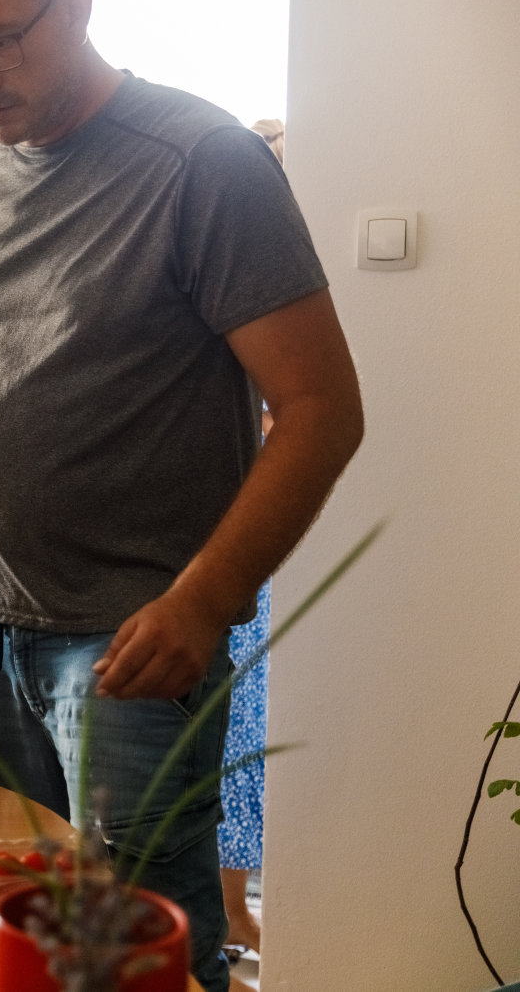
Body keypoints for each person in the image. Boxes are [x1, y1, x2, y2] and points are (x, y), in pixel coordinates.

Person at [0, 0, 363, 991]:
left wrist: (206, 599)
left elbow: (322, 408)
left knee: (143, 952)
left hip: (133, 650)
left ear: (77, 11)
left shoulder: (200, 161)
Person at [217, 116, 289, 963]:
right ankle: (232, 914)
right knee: (236, 727)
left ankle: (235, 911)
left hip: (253, 521)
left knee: (248, 725)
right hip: (220, 522)